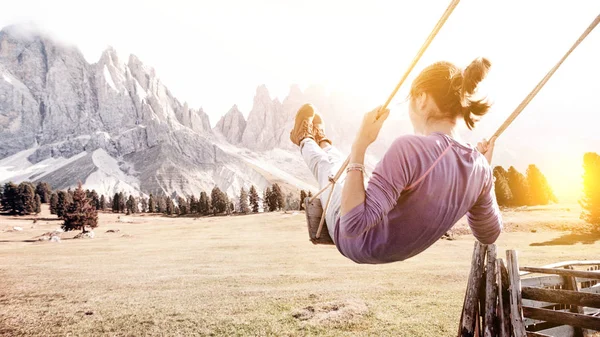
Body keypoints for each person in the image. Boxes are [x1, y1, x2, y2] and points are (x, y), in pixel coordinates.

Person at [290, 57, 503, 264]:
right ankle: (324, 141)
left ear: (421, 99)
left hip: (356, 243)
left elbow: (353, 226)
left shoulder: (411, 148)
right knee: (337, 167)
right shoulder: (481, 168)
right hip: (394, 250)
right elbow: (489, 234)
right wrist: (483, 172)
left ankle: (304, 138)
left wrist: (360, 144)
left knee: (327, 170)